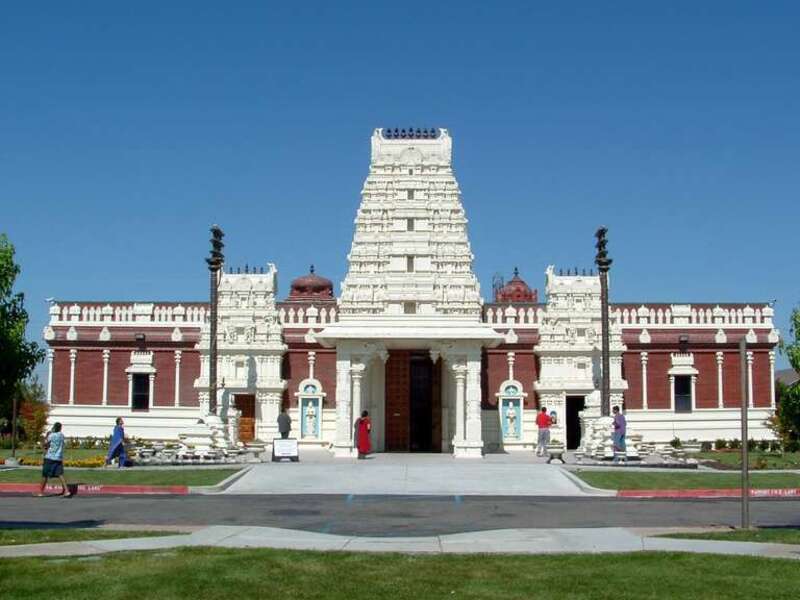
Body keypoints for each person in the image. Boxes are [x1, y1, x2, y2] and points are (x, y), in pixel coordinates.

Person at [36, 422, 71, 497]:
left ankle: (40, 492)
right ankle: (67, 491)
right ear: (60, 428)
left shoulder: (51, 436)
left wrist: (42, 443)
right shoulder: (61, 435)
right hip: (58, 458)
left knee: (45, 475)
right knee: (60, 474)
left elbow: (46, 445)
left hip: (49, 457)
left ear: (54, 427)